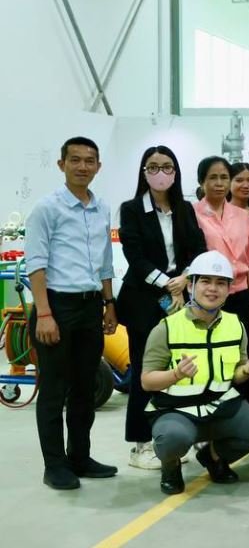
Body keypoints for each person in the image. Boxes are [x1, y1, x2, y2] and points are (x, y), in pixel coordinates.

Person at [140, 251, 249, 494]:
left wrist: (248, 370)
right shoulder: (166, 328)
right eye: (205, 281)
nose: (213, 289)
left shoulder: (235, 325)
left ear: (228, 289)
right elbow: (147, 381)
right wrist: (176, 374)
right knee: (172, 440)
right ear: (190, 286)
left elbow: (235, 375)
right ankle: (170, 465)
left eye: (221, 283)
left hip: (220, 407)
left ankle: (212, 456)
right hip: (177, 411)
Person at [26, 137, 119, 490]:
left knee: (84, 387)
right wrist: (44, 313)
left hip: (90, 306)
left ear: (98, 166)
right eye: (75, 159)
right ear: (61, 164)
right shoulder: (46, 208)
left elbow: (105, 262)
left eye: (89, 160)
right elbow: (36, 263)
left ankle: (80, 456)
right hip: (56, 306)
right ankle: (54, 466)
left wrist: (109, 304)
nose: (83, 166)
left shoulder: (101, 208)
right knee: (54, 389)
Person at [116, 146, 207, 470]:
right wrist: (168, 282)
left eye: (167, 166)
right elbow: (134, 255)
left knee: (182, 368)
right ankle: (141, 444)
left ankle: (179, 436)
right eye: (153, 167)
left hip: (180, 299)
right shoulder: (131, 209)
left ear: (175, 172)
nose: (160, 173)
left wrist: (185, 278)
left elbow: (198, 248)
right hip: (144, 301)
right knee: (146, 370)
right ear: (144, 172)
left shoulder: (185, 208)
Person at [194, 156, 249, 335]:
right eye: (212, 177)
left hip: (241, 295)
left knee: (239, 345)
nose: (219, 183)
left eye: (224, 177)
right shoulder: (192, 213)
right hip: (208, 295)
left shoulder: (242, 215)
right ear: (201, 181)